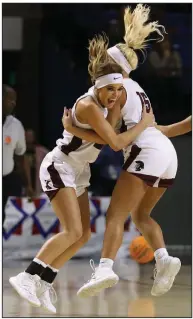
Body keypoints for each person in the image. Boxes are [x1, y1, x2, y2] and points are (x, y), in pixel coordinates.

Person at [9, 34, 154, 314]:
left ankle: (43, 281)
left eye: (118, 89)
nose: (114, 95)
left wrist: (77, 129)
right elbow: (114, 142)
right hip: (60, 166)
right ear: (98, 87)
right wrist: (144, 123)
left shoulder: (106, 104)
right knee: (72, 230)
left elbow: (105, 136)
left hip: (79, 170)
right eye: (110, 89)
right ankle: (26, 276)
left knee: (84, 235)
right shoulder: (88, 105)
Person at [62, 5, 181, 298]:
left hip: (147, 151)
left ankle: (104, 267)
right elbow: (159, 129)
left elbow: (111, 137)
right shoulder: (139, 88)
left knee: (116, 215)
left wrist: (74, 129)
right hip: (168, 154)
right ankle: (165, 259)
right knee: (141, 215)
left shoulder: (116, 90)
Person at [3, 85, 34, 230]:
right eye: (10, 99)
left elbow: (21, 156)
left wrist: (28, 184)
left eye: (15, 100)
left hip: (6, 181)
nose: (14, 103)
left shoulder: (16, 126)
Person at [25, 129, 49, 195]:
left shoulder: (41, 151)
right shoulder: (20, 152)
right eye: (27, 136)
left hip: (38, 183)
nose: (29, 138)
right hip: (25, 182)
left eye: (30, 136)